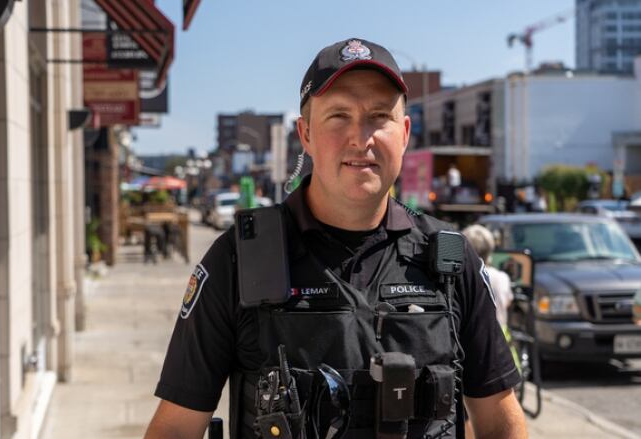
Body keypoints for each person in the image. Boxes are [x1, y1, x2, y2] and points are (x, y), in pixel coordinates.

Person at [146, 38, 526, 439]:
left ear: (405, 133)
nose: (360, 139)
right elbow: (175, 427)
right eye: (338, 116)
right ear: (305, 134)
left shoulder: (450, 258)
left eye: (380, 116)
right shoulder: (240, 259)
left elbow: (500, 419)